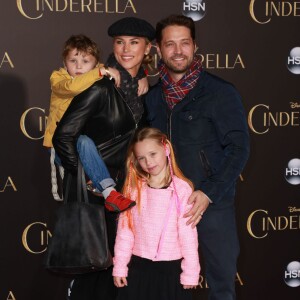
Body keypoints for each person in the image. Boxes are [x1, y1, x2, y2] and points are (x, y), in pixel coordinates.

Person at [145, 15, 250, 300]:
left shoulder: (220, 92)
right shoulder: (152, 98)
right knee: (170, 289)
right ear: (158, 48)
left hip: (211, 206)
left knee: (221, 285)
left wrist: (208, 192)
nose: (178, 51)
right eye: (170, 44)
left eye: (184, 43)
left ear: (195, 46)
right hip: (165, 210)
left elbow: (239, 148)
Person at [52, 17, 156, 300]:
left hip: (127, 192)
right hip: (97, 194)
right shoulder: (99, 86)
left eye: (134, 43)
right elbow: (63, 136)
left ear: (147, 49)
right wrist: (84, 177)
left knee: (120, 274)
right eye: (120, 42)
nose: (125, 49)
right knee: (94, 273)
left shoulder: (143, 90)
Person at [44, 34, 147, 212]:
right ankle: (106, 188)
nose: (78, 66)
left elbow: (121, 69)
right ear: (64, 62)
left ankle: (109, 193)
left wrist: (142, 75)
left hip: (88, 146)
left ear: (95, 63)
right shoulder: (58, 79)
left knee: (85, 141)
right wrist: (99, 72)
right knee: (83, 141)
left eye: (85, 61)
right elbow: (73, 86)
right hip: (61, 147)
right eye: (72, 61)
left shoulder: (98, 73)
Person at [113, 127, 200, 300]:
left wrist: (191, 271)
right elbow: (125, 232)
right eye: (142, 158)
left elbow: (188, 234)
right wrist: (120, 266)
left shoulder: (182, 190)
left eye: (153, 154)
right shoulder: (134, 189)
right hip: (138, 270)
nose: (149, 162)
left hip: (170, 273)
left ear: (166, 148)